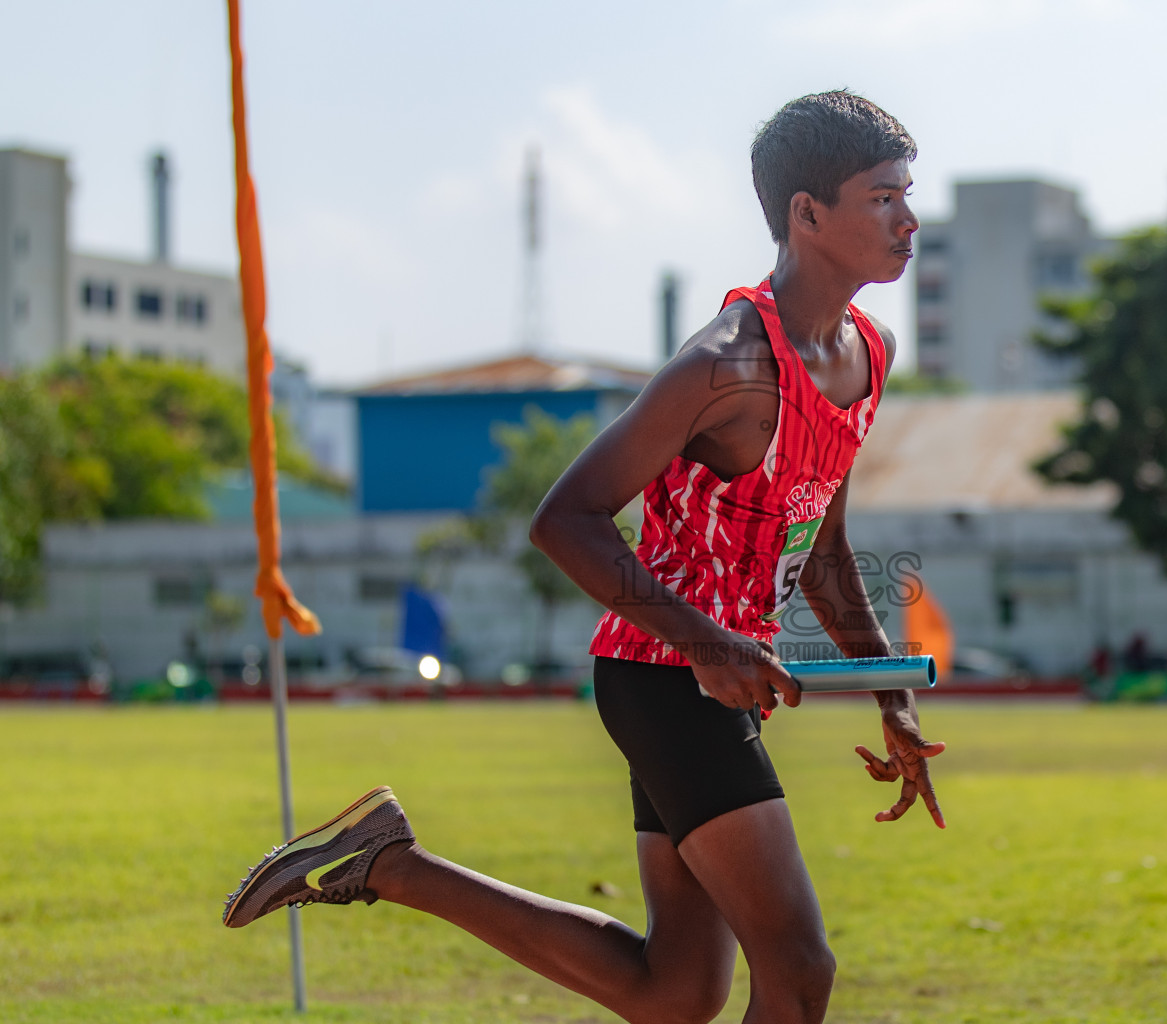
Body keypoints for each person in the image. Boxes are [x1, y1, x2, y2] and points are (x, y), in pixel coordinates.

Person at [222, 90, 945, 1024]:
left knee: (677, 990)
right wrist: (708, 645)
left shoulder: (868, 353)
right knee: (799, 970)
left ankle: (386, 863)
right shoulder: (723, 365)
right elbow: (564, 520)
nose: (909, 218)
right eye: (884, 196)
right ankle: (386, 862)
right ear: (808, 214)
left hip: (709, 680)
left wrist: (888, 688)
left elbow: (824, 546)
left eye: (907, 193)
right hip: (662, 675)